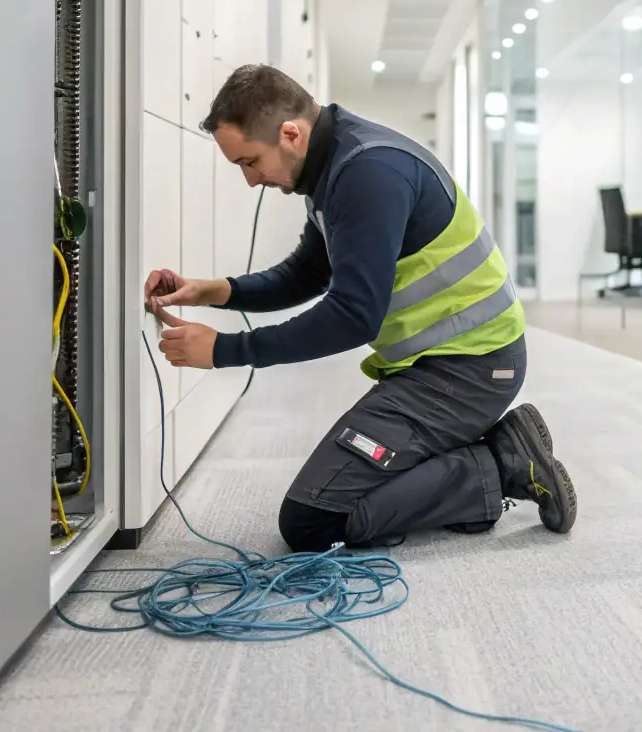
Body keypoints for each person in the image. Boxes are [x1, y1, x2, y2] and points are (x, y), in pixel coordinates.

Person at [143, 64, 576, 552]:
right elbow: (309, 273)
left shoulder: (369, 173)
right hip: (438, 368)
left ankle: (501, 463)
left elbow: (353, 315)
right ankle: (480, 457)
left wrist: (226, 350)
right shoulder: (334, 168)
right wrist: (214, 291)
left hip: (469, 371)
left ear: (290, 133)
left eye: (249, 161)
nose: (250, 180)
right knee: (325, 506)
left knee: (314, 521)